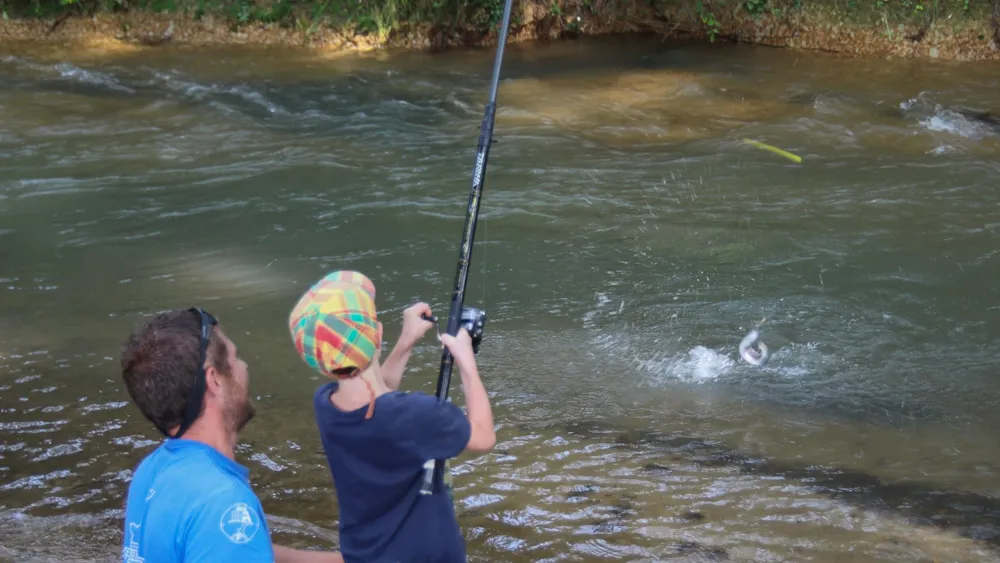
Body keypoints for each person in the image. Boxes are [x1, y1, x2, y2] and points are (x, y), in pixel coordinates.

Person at [287, 270, 496, 563]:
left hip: (368, 552)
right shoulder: (415, 413)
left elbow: (377, 392)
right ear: (378, 333)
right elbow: (484, 436)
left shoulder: (326, 404)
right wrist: (466, 361)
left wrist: (406, 342)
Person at [119, 307, 344, 563]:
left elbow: (226, 548)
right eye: (236, 359)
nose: (244, 367)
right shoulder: (222, 500)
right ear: (215, 381)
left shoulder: (153, 469)